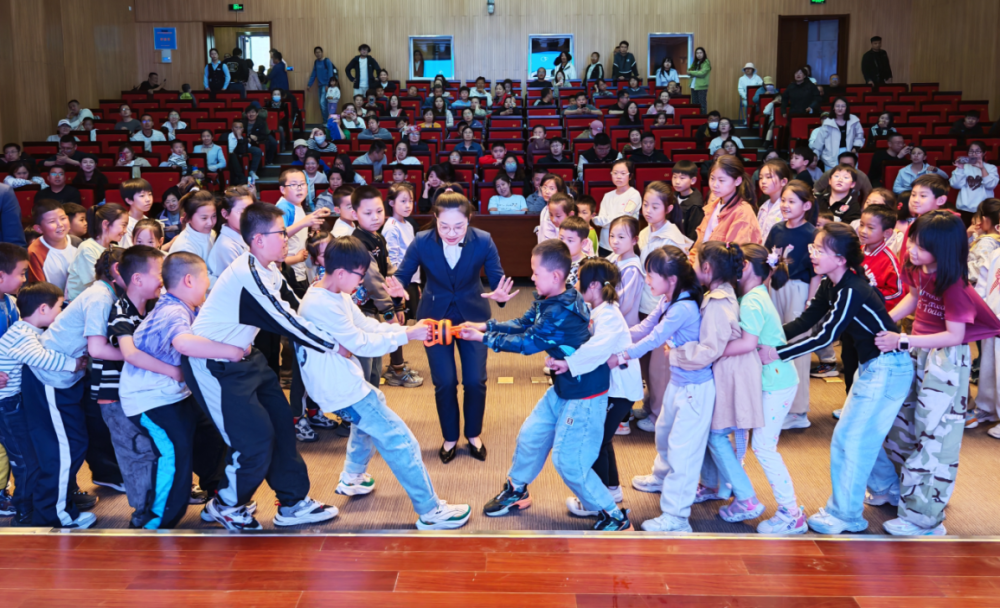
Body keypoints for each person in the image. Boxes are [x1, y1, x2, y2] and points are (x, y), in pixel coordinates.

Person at [182, 203, 342, 531]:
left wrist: (340, 328)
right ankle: (227, 504)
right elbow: (285, 321)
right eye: (281, 233)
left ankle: (292, 503)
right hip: (215, 365)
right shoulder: (248, 273)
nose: (287, 239)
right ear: (258, 240)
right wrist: (333, 346)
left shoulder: (268, 269)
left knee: (282, 426)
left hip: (247, 356)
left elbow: (297, 310)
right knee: (254, 440)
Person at [458, 240, 627, 531]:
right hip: (564, 386)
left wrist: (483, 338)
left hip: (586, 394)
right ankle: (517, 490)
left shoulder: (561, 311)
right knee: (531, 436)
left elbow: (527, 343)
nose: (532, 277)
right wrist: (485, 326)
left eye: (536, 272)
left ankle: (614, 515)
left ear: (556, 276)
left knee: (569, 462)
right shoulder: (551, 299)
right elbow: (525, 322)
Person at [867, 211, 1000, 535]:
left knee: (935, 436)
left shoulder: (954, 285)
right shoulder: (918, 268)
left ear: (943, 249)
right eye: (912, 241)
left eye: (922, 246)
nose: (912, 250)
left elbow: (954, 337)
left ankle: (924, 518)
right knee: (901, 423)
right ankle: (903, 491)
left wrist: (902, 340)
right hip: (918, 350)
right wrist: (883, 322)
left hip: (944, 362)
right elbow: (913, 298)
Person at [393, 192, 511, 463]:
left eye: (458, 226)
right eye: (444, 226)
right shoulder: (422, 240)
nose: (451, 233)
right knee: (444, 382)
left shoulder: (483, 240)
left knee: (475, 380)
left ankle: (473, 434)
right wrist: (396, 288)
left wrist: (500, 295)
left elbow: (497, 279)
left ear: (469, 219)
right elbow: (402, 275)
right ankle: (449, 437)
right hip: (435, 318)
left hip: (473, 317)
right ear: (435, 218)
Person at [709, 243, 806, 534]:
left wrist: (712, 351)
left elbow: (748, 343)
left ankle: (791, 513)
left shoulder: (752, 300)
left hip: (775, 382)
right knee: (743, 438)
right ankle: (736, 493)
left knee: (763, 447)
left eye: (738, 263)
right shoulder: (754, 294)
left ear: (749, 268)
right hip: (770, 379)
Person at [696, 156, 762, 245]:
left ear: (737, 181)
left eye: (721, 180)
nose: (715, 185)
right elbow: (700, 242)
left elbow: (734, 251)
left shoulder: (742, 212)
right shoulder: (713, 205)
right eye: (712, 178)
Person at [26, 200, 77, 292]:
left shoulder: (76, 242)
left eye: (63, 218)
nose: (60, 224)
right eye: (52, 221)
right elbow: (39, 290)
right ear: (39, 228)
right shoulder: (34, 252)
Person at [951, 141, 999, 225]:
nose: (974, 154)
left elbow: (990, 185)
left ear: (984, 153)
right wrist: (960, 168)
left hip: (983, 210)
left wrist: (982, 168)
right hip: (964, 209)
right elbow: (955, 185)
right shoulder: (963, 167)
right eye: (971, 151)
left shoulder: (991, 168)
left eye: (977, 151)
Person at [811, 97, 865, 170]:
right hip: (830, 158)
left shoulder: (854, 120)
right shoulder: (827, 123)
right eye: (837, 106)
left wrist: (855, 148)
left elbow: (859, 136)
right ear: (833, 108)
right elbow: (819, 143)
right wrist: (815, 157)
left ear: (846, 108)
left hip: (849, 154)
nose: (840, 108)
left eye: (843, 106)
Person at [756, 159, 792, 243]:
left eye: (768, 177)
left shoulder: (787, 207)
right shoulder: (764, 206)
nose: (763, 181)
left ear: (783, 181)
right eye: (760, 178)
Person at [307, 46, 338, 111]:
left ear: (322, 52)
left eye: (319, 52)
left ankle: (327, 117)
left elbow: (330, 74)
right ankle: (327, 117)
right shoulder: (316, 62)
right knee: (322, 104)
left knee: (322, 103)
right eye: (316, 52)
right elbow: (313, 74)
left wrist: (328, 85)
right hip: (320, 86)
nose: (318, 54)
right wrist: (309, 84)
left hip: (326, 85)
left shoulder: (327, 61)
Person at [687, 47, 712, 114]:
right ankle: (696, 119)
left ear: (704, 53)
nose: (699, 54)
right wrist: (697, 72)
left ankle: (703, 119)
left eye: (700, 53)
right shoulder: (695, 62)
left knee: (702, 105)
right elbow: (688, 71)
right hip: (693, 86)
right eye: (697, 53)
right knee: (694, 105)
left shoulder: (706, 62)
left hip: (701, 86)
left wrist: (693, 72)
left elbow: (702, 73)